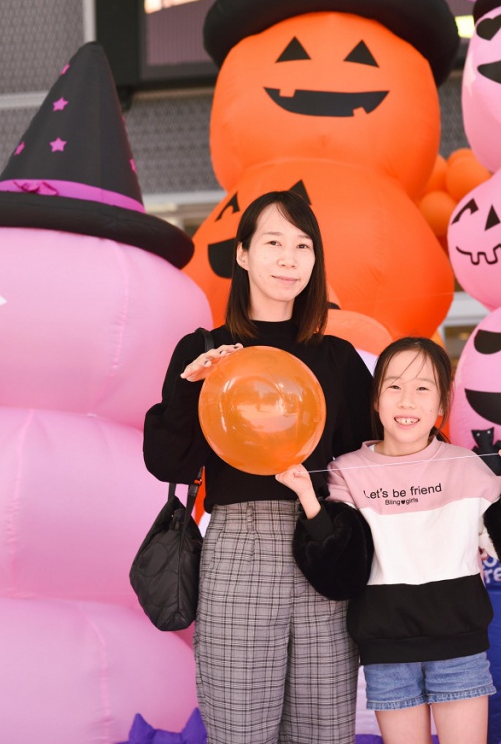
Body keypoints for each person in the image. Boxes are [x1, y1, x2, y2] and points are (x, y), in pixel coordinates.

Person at [143, 190, 374, 744]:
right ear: (243, 254)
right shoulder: (205, 350)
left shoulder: (337, 358)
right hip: (239, 547)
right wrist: (189, 388)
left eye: (303, 246)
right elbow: (168, 462)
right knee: (240, 730)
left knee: (325, 731)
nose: (289, 258)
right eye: (273, 242)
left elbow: (377, 455)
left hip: (323, 542)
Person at [277, 337, 501, 744]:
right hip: (387, 653)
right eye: (394, 386)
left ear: (442, 403)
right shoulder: (345, 472)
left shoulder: (467, 466)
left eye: (423, 388)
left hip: (460, 649)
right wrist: (307, 495)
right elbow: (341, 569)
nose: (407, 400)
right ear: (376, 399)